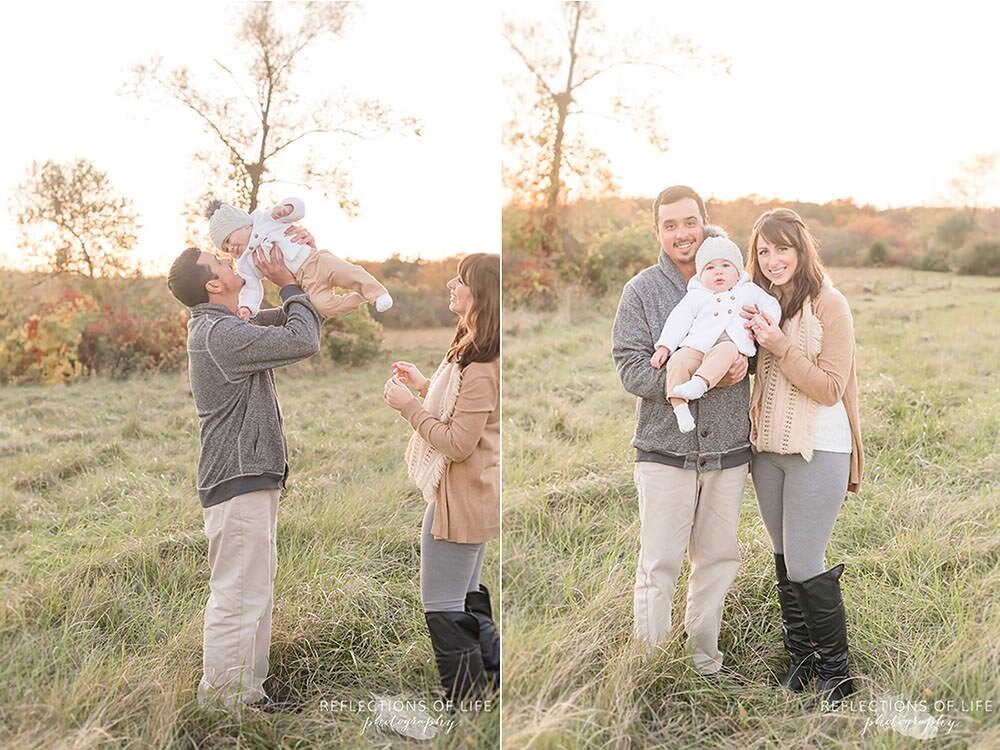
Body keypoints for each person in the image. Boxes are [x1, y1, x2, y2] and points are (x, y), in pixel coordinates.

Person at [166, 228, 322, 709]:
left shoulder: (228, 326)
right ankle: (224, 705)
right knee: (237, 595)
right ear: (214, 286)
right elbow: (303, 338)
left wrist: (303, 265)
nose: (231, 265)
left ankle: (246, 696)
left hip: (247, 476)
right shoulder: (220, 333)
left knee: (253, 591)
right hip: (236, 479)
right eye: (222, 264)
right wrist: (288, 285)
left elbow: (300, 319)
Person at [612, 186, 750, 676]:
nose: (682, 233)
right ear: (658, 232)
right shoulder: (643, 290)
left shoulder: (737, 280)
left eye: (689, 222)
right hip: (663, 449)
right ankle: (650, 668)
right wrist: (692, 385)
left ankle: (705, 662)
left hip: (729, 448)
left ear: (704, 221)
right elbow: (629, 368)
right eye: (670, 225)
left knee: (716, 560)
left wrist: (739, 368)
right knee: (659, 564)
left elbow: (763, 346)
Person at [741, 207, 864, 704]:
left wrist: (779, 344)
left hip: (821, 446)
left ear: (801, 249)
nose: (772, 260)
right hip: (766, 449)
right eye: (763, 252)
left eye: (781, 249)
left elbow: (830, 387)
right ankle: (802, 660)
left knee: (805, 560)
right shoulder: (759, 303)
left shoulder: (829, 304)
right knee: (783, 557)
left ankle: (837, 673)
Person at [382, 253, 500, 705]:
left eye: (461, 280)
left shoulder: (483, 364)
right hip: (470, 493)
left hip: (461, 497)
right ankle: (486, 692)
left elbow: (457, 442)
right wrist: (423, 383)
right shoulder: (473, 349)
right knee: (467, 598)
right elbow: (466, 410)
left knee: (443, 607)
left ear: (480, 293)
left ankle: (468, 707)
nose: (451, 284)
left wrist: (408, 407)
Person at [650, 235, 781, 433]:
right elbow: (678, 320)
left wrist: (765, 320)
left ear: (738, 272)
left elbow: (771, 304)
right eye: (710, 268)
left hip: (730, 348)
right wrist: (665, 346)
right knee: (677, 360)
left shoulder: (748, 290)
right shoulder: (696, 295)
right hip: (698, 347)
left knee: (727, 349)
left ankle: (700, 383)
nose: (718, 272)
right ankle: (680, 407)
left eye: (726, 266)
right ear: (700, 275)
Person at [207, 197, 392, 321]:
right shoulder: (245, 264)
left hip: (315, 260)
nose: (231, 249)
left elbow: (298, 208)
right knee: (323, 307)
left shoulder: (266, 219)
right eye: (225, 249)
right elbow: (251, 288)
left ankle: (377, 292)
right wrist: (248, 307)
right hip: (305, 282)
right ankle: (362, 297)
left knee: (347, 273)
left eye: (229, 240)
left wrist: (287, 208)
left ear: (243, 226)